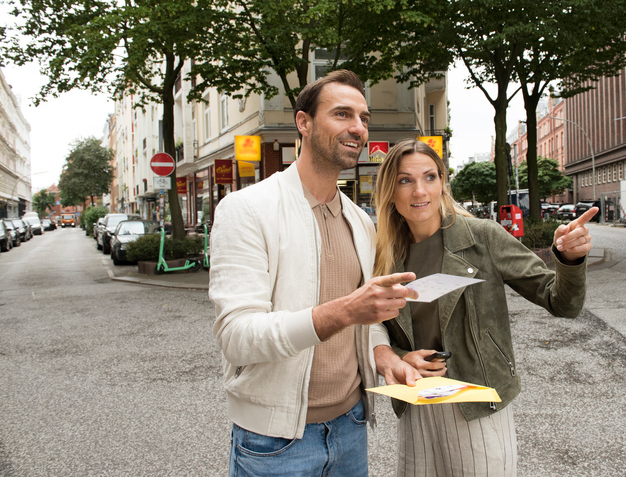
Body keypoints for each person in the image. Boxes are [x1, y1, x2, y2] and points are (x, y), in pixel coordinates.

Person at [209, 70, 420, 477]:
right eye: (342, 114)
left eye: (363, 118)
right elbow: (236, 337)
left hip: (352, 427)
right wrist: (344, 311)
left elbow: (367, 319)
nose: (357, 128)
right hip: (275, 443)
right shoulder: (246, 208)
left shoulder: (361, 221)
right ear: (303, 123)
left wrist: (383, 356)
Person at [373, 139, 598, 477]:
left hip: (475, 403)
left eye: (430, 177)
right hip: (415, 403)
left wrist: (569, 257)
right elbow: (371, 324)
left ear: (443, 182)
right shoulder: (385, 253)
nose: (419, 191)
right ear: (390, 191)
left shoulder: (483, 237)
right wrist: (398, 356)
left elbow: (561, 302)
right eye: (405, 180)